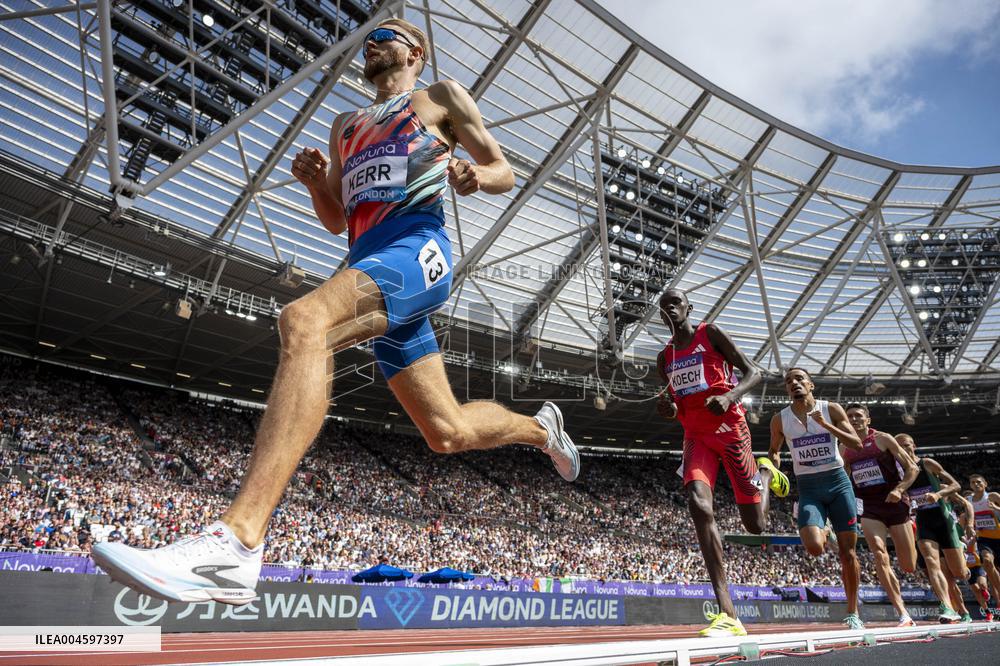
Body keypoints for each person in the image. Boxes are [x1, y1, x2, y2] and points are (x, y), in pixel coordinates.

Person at [92, 18, 579, 604]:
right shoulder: (343, 125)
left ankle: (239, 542)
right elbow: (340, 221)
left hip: (416, 248)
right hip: (368, 258)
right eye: (368, 38)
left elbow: (504, 170)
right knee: (446, 433)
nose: (373, 43)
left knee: (303, 321)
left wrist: (476, 175)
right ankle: (539, 430)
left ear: (415, 51)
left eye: (386, 35)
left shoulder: (440, 97)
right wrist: (318, 185)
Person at [655, 288, 789, 638]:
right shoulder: (664, 357)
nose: (669, 308)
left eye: (675, 303)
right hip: (695, 438)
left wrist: (729, 395)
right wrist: (668, 409)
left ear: (688, 308)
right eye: (663, 306)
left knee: (755, 526)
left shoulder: (709, 334)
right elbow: (673, 403)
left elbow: (754, 372)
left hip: (730, 431)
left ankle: (765, 471)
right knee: (698, 505)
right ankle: (727, 613)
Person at [769, 370, 865, 630]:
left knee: (848, 554)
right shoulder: (780, 419)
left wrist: (826, 425)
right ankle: (826, 530)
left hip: (838, 484)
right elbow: (774, 452)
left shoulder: (830, 409)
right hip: (809, 488)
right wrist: (773, 466)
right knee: (813, 547)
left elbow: (856, 443)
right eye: (789, 381)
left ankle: (853, 612)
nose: (794, 383)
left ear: (811, 385)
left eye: (799, 379)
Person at [842, 403, 918, 626]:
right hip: (869, 507)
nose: (854, 419)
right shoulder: (843, 447)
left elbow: (912, 468)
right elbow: (843, 478)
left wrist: (899, 489)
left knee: (908, 565)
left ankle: (911, 532)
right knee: (879, 554)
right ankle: (902, 612)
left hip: (894, 503)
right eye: (850, 417)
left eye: (858, 416)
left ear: (868, 420)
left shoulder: (883, 439)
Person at [895, 433, 966, 623]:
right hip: (924, 520)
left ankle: (963, 553)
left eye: (907, 445)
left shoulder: (927, 463)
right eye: (899, 447)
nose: (904, 449)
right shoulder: (898, 472)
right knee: (931, 562)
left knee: (958, 573)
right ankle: (947, 607)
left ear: (914, 446)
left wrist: (938, 494)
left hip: (943, 519)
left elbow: (956, 485)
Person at [966, 474, 1000, 603]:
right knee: (987, 561)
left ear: (985, 483)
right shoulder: (968, 500)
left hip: (999, 536)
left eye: (979, 482)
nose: (976, 484)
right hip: (984, 539)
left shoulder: (992, 496)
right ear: (970, 485)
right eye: (973, 482)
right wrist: (969, 526)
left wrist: (996, 508)